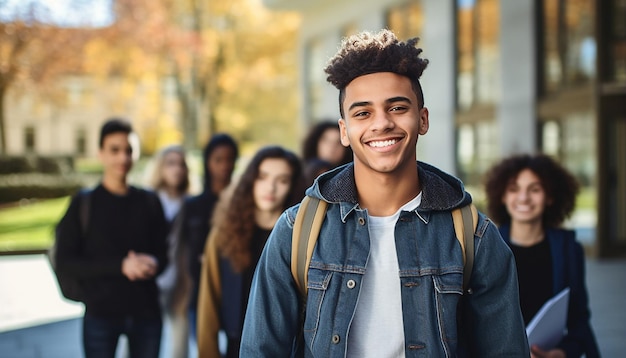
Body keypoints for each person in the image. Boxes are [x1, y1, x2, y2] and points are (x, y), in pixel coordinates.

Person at [240, 29, 530, 357]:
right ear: (344, 131)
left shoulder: (474, 236)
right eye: (363, 113)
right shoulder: (297, 231)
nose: (381, 124)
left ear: (422, 119)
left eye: (396, 108)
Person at [55, 118, 168, 358]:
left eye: (129, 150)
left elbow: (164, 253)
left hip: (146, 312)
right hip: (101, 314)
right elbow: (65, 261)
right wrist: (121, 266)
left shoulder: (149, 201)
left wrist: (153, 263)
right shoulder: (84, 204)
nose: (123, 158)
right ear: (101, 154)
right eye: (114, 150)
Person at [484, 153, 601, 358]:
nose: (523, 198)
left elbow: (579, 320)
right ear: (503, 196)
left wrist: (562, 353)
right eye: (514, 189)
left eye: (535, 189)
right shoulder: (485, 248)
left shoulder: (568, 249)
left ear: (550, 197)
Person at [196, 146, 304, 358]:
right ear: (250, 181)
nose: (270, 188)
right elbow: (208, 304)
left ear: (292, 186)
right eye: (262, 177)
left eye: (282, 180)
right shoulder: (224, 234)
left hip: (288, 348)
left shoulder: (301, 237)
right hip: (236, 346)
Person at [174, 133, 239, 353]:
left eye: (230, 159)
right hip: (199, 294)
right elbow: (182, 253)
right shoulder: (193, 206)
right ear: (207, 162)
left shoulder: (242, 204)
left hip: (237, 295)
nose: (224, 166)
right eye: (218, 159)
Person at [148, 145, 191, 358]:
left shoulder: (189, 204)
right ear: (161, 168)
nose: (177, 169)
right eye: (171, 163)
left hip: (179, 281)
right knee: (142, 339)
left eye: (181, 164)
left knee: (180, 340)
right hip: (149, 280)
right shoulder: (147, 200)